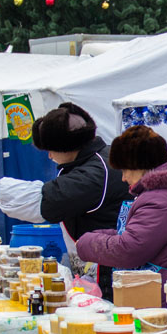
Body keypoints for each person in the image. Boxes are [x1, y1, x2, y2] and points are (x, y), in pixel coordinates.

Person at [76, 126, 167, 304]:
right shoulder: (166, 194)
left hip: (161, 298)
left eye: (125, 170)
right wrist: (94, 236)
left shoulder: (160, 201)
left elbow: (129, 250)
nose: (123, 178)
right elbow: (134, 235)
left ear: (140, 166)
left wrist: (86, 244)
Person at [32, 102, 130, 299]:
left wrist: (6, 192)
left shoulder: (96, 170)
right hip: (94, 260)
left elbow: (51, 202)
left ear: (67, 146)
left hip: (109, 267)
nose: (50, 156)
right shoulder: (91, 160)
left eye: (51, 149)